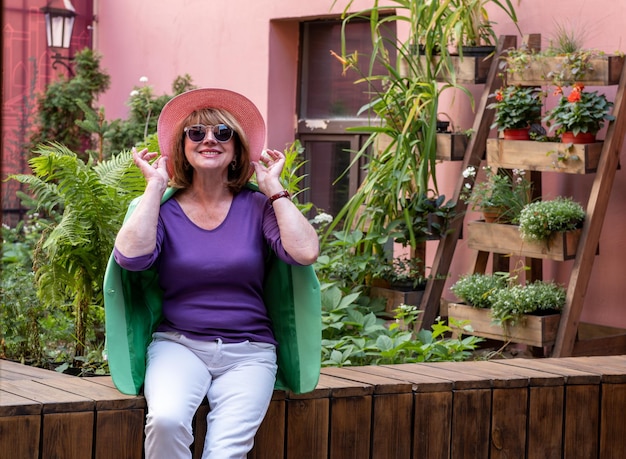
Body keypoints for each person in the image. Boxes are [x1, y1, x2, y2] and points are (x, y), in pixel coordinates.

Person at [112, 88, 320, 458]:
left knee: (225, 452)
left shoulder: (258, 205)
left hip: (250, 352)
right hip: (179, 346)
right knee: (166, 421)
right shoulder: (163, 208)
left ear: (237, 148)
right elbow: (130, 257)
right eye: (197, 133)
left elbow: (305, 253)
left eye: (223, 133)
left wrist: (273, 187)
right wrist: (155, 185)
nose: (210, 139)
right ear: (184, 147)